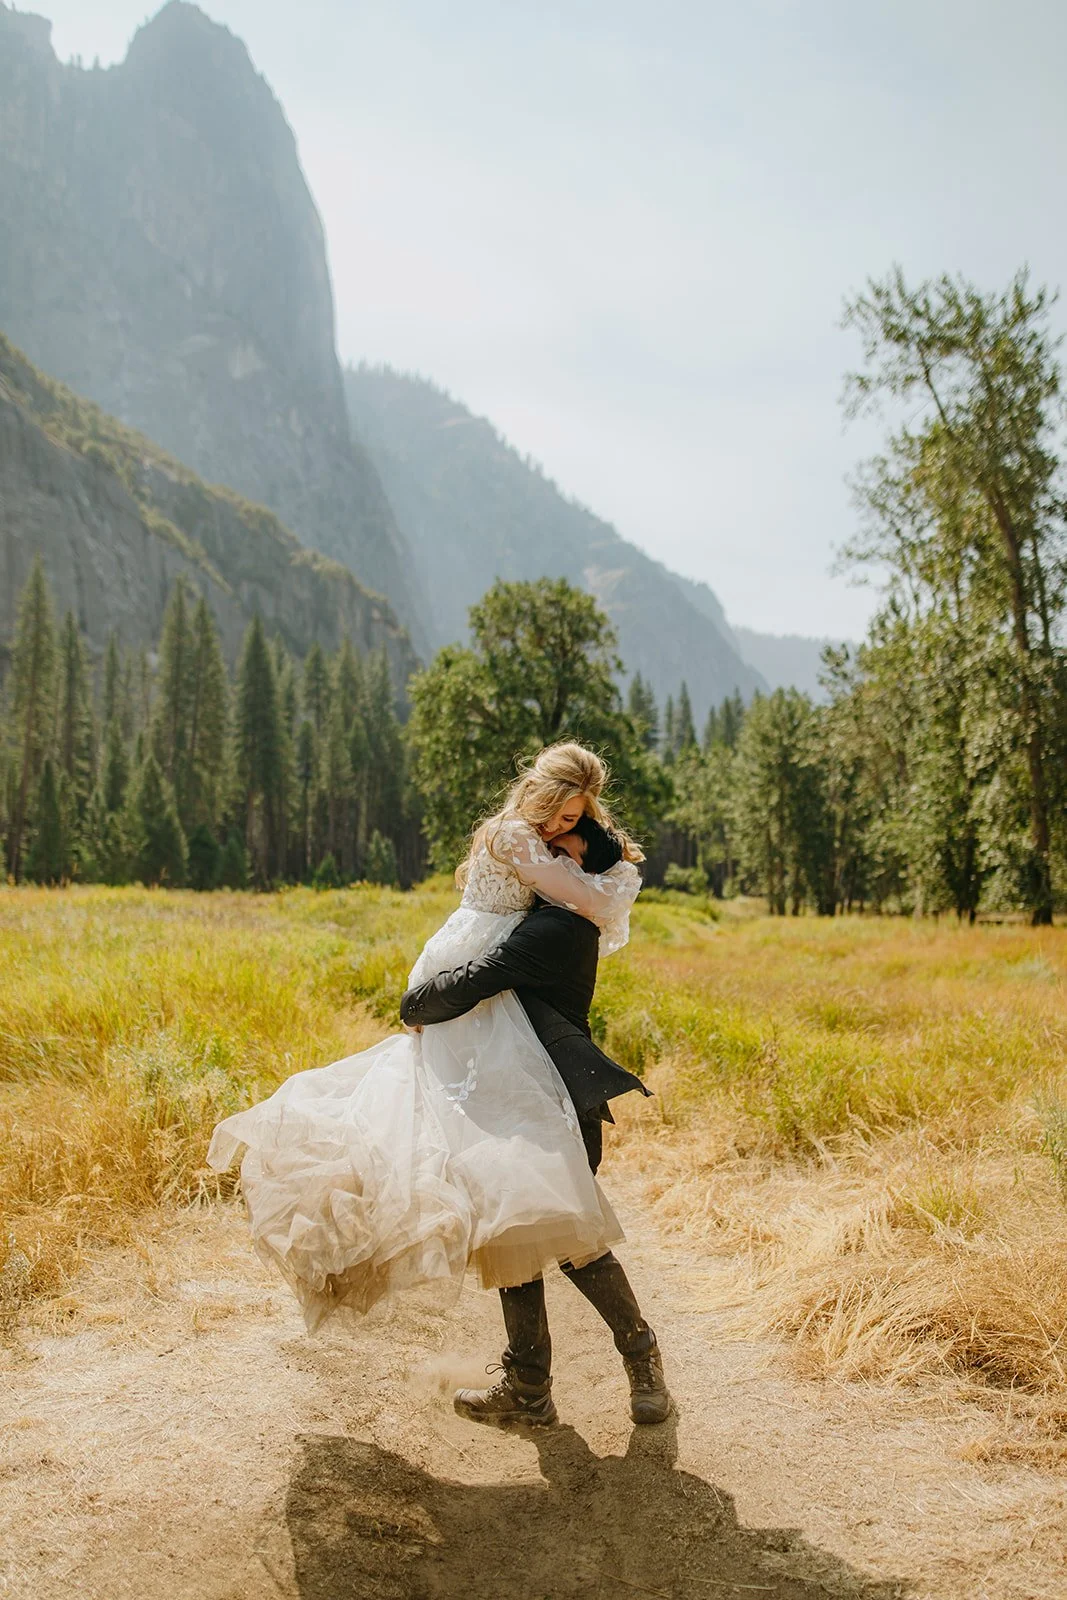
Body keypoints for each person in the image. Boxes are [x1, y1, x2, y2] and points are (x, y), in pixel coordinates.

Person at [206, 743, 646, 1350]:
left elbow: (577, 899)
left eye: (573, 825)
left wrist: (597, 862)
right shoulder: (517, 840)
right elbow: (581, 897)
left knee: (519, 1207)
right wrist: (600, 870)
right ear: (539, 797)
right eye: (559, 818)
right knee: (510, 1203)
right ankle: (539, 1376)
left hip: (492, 1005)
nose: (560, 832)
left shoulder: (554, 920)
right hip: (468, 975)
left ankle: (564, 1369)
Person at [401, 810, 671, 1428]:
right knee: (514, 1237)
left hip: (555, 1110)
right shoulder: (549, 918)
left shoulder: (559, 930)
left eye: (557, 854)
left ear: (576, 869)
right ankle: (528, 1390)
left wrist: (413, 1003)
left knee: (576, 1246)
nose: (541, 862)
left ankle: (642, 1357)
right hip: (516, 1105)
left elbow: (478, 978)